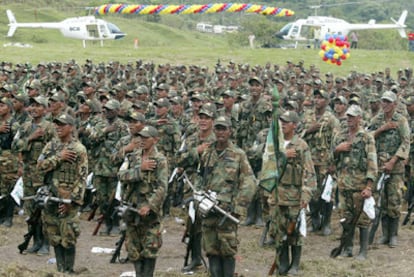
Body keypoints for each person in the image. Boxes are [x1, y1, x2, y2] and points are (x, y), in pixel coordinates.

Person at [195, 116, 256, 277]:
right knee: (211, 249)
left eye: (224, 129)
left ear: (230, 131)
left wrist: (239, 207)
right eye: (218, 129)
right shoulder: (207, 152)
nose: (220, 132)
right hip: (208, 210)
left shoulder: (238, 154)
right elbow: (200, 177)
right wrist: (198, 198)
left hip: (227, 213)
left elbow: (249, 182)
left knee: (227, 250)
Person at [37, 113, 88, 273]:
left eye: (62, 125)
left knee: (69, 234)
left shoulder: (79, 149)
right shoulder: (51, 146)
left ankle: (69, 269)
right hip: (50, 197)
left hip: (68, 199)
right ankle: (60, 270)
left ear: (71, 127)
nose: (58, 127)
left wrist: (71, 202)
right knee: (54, 234)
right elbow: (40, 166)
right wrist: (59, 157)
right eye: (57, 124)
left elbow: (82, 178)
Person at [118, 126, 167, 277]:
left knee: (150, 249)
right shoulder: (133, 157)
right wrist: (140, 170)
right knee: (133, 249)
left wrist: (150, 205)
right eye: (141, 137)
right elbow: (121, 175)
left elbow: (162, 187)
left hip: (149, 214)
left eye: (146, 138)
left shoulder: (160, 160)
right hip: (131, 210)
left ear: (155, 139)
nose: (143, 140)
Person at [332, 105, 378, 260]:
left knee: (363, 219)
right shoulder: (340, 135)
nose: (349, 119)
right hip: (343, 185)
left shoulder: (366, 137)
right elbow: (330, 160)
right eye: (347, 116)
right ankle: (348, 248)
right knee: (345, 218)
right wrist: (337, 150)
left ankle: (363, 251)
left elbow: (372, 162)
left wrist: (369, 186)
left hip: (360, 186)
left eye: (352, 116)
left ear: (359, 118)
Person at [12, 96, 56, 254]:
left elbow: (56, 148)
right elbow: (14, 145)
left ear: (45, 109)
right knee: (31, 210)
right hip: (29, 174)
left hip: (44, 174)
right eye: (33, 105)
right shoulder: (24, 127)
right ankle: (36, 241)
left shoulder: (51, 128)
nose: (34, 108)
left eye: (38, 105)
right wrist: (30, 138)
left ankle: (45, 243)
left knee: (45, 210)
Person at [367, 91, 410, 247]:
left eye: (388, 102)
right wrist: (381, 129)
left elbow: (406, 143)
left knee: (394, 200)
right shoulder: (376, 120)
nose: (384, 104)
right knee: (382, 201)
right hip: (378, 166)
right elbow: (366, 137)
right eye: (383, 101)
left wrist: (393, 161)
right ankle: (384, 234)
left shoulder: (401, 121)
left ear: (394, 104)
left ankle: (393, 235)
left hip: (395, 168)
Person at [277, 111, 316, 275]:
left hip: (294, 195)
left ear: (294, 125)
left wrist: (306, 194)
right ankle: (283, 261)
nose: (283, 124)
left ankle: (295, 263)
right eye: (282, 121)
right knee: (279, 230)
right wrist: (281, 155)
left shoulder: (301, 145)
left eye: (287, 122)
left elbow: (309, 172)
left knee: (295, 230)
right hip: (277, 195)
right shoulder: (275, 143)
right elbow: (264, 163)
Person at [301, 89, 340, 236]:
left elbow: (336, 142)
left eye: (320, 98)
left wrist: (333, 163)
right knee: (311, 191)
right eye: (315, 97)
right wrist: (309, 130)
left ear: (327, 101)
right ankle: (315, 220)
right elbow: (297, 134)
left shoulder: (331, 119)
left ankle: (326, 223)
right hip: (309, 161)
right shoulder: (307, 116)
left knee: (328, 193)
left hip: (325, 162)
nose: (317, 100)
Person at [0, 97, 20, 227]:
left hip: (9, 160)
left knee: (9, 188)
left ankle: (8, 216)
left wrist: (20, 163)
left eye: (2, 105)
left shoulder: (14, 124)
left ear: (8, 108)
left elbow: (19, 145)